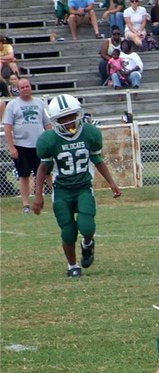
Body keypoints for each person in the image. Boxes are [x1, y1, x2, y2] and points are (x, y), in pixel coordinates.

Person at [32, 94, 122, 278]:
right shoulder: (49, 140)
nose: (69, 121)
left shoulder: (89, 133)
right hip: (62, 190)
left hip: (83, 187)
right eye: (63, 119)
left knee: (87, 226)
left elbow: (97, 160)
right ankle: (72, 265)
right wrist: (38, 195)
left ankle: (87, 244)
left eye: (72, 116)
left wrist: (112, 183)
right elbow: (43, 168)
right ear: (55, 121)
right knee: (68, 231)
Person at [2, 79, 52, 214]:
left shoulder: (39, 103)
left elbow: (47, 124)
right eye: (22, 87)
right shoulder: (13, 105)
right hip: (21, 145)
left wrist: (51, 142)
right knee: (23, 175)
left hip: (39, 145)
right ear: (18, 89)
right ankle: (25, 204)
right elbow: (7, 127)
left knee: (45, 173)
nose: (25, 89)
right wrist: (11, 147)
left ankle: (54, 198)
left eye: (27, 86)